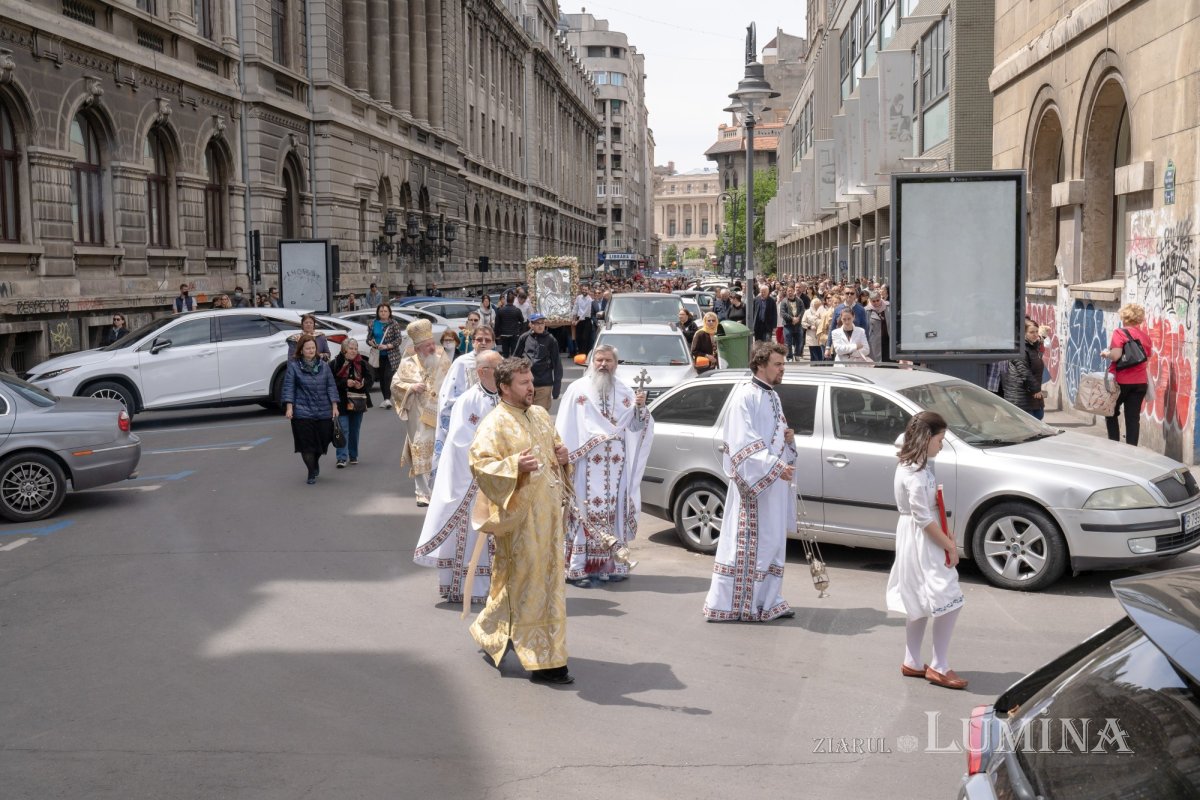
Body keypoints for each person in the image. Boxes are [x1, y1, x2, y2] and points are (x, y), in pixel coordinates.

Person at [468, 356, 573, 685]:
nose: (532, 387)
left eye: (531, 381)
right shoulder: (495, 423)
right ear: (504, 387)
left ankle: (492, 631)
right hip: (520, 521)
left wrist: (563, 458)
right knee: (527, 584)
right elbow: (480, 464)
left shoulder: (541, 415)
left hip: (549, 518)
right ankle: (542, 659)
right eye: (524, 383)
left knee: (547, 584)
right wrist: (514, 465)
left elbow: (555, 450)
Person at [703, 342, 797, 622]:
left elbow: (775, 435)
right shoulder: (745, 396)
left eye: (783, 364)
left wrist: (790, 442)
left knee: (772, 542)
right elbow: (743, 442)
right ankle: (741, 604)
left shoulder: (773, 397)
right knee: (752, 544)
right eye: (778, 364)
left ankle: (767, 601)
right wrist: (775, 466)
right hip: (755, 485)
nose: (783, 369)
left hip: (774, 486)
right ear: (760, 364)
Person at [557, 345, 653, 586]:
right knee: (584, 514)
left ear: (616, 364)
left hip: (616, 467)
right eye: (599, 359)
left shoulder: (625, 392)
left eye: (608, 360)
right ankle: (579, 568)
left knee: (613, 515)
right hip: (585, 465)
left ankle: (611, 565)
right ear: (591, 362)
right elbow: (563, 429)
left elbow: (635, 427)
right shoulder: (577, 390)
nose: (603, 364)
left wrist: (640, 409)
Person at [414, 350, 503, 606]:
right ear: (482, 371)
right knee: (473, 533)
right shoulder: (468, 400)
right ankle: (465, 587)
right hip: (473, 479)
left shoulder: (502, 397)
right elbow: (461, 440)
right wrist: (490, 461)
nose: (502, 372)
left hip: (497, 476)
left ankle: (492, 587)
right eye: (497, 368)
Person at [886, 411, 966, 690]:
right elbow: (924, 520)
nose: (941, 445)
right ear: (926, 438)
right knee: (949, 596)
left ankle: (912, 660)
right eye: (940, 439)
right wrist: (949, 546)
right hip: (923, 540)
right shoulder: (916, 475)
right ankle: (939, 665)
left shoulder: (909, 465)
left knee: (917, 599)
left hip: (910, 536)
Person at [391, 319, 451, 507]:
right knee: (419, 451)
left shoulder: (443, 358)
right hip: (418, 417)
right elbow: (395, 385)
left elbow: (452, 384)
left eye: (433, 343)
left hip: (439, 414)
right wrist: (411, 387)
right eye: (427, 346)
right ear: (417, 349)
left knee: (439, 451)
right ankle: (422, 493)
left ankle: (439, 490)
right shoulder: (407, 363)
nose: (432, 348)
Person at [282, 334, 340, 485]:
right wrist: (289, 407)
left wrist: (334, 406)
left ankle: (315, 461)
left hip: (323, 409)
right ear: (301, 350)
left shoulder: (324, 366)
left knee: (324, 439)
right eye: (307, 348)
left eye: (313, 348)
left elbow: (331, 386)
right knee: (306, 444)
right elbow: (289, 387)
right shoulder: (294, 367)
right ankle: (311, 471)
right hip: (302, 411)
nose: (311, 350)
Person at [434, 325, 496, 467]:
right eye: (479, 339)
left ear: (493, 343)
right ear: (473, 341)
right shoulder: (461, 363)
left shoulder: (499, 362)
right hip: (468, 420)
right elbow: (447, 396)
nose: (483, 343)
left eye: (487, 340)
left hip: (492, 418)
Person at [1101, 302, 1152, 446]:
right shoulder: (1145, 337)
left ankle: (1114, 444)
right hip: (1140, 382)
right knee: (1133, 418)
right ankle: (1131, 449)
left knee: (1110, 412)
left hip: (1121, 381)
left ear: (1124, 317)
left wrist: (1106, 353)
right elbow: (1147, 359)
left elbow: (1116, 356)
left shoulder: (1120, 332)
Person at [330, 337, 373, 467]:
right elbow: (330, 382)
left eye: (355, 349)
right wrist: (345, 383)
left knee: (355, 430)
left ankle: (353, 455)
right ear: (344, 349)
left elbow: (370, 379)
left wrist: (363, 384)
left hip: (358, 400)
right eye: (351, 348)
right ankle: (341, 458)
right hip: (341, 401)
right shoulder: (335, 363)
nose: (354, 351)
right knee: (343, 429)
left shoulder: (362, 363)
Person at [513, 312, 561, 410]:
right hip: (525, 384)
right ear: (531, 324)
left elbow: (557, 364)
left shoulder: (551, 340)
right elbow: (514, 359)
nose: (540, 326)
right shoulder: (524, 338)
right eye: (537, 323)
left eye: (542, 323)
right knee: (524, 415)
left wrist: (556, 388)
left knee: (540, 416)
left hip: (544, 385)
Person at [1002, 319, 1046, 419]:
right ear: (1023, 333)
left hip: (1032, 396)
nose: (1035, 335)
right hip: (1020, 396)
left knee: (1038, 416)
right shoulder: (1019, 349)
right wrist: (1036, 390)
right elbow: (1024, 371)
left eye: (1036, 331)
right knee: (1031, 424)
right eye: (1031, 332)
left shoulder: (1033, 347)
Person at [367, 304, 404, 409]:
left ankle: (388, 398)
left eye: (385, 311)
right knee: (382, 378)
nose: (383, 313)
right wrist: (371, 342)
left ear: (389, 312)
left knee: (388, 376)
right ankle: (386, 399)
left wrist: (387, 346)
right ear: (378, 312)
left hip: (391, 355)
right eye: (381, 311)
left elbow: (398, 340)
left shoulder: (394, 324)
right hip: (378, 355)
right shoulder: (373, 323)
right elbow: (368, 338)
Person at [494, 290, 525, 357]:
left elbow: (497, 323)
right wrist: (519, 331)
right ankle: (513, 366)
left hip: (504, 334)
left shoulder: (500, 310)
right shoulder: (517, 310)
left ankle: (506, 366)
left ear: (506, 300)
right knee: (514, 353)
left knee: (505, 353)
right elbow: (522, 321)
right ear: (513, 300)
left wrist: (496, 334)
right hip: (514, 334)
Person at [780, 287, 804, 361]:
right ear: (786, 292)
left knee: (799, 341)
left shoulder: (799, 301)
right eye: (788, 291)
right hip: (788, 325)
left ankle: (797, 354)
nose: (790, 292)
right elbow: (783, 313)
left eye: (791, 291)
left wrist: (798, 318)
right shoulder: (784, 301)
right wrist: (792, 319)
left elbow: (802, 310)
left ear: (794, 291)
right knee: (788, 342)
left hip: (798, 324)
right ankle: (789, 356)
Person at [867, 291, 890, 363]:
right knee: (877, 363)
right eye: (873, 301)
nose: (876, 303)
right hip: (874, 341)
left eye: (878, 300)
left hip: (888, 339)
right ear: (870, 301)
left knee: (889, 362)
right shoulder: (867, 310)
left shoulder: (888, 307)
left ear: (881, 298)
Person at [572, 283, 594, 357]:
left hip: (586, 320)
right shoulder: (578, 297)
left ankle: (584, 354)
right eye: (583, 289)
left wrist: (577, 321)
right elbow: (575, 308)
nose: (584, 291)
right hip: (579, 320)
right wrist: (574, 319)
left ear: (588, 291)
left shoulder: (590, 300)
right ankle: (581, 352)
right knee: (578, 337)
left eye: (586, 290)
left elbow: (585, 313)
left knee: (585, 338)